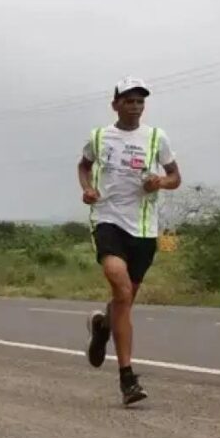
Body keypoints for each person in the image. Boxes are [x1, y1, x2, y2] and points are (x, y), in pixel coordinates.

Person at [77, 76, 181, 405]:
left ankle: (102, 327)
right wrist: (88, 189)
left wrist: (160, 182)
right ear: (116, 104)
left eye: (140, 101)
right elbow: (84, 165)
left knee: (124, 302)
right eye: (129, 100)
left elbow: (176, 176)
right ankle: (127, 380)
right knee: (120, 289)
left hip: (145, 229)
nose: (135, 106)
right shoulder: (99, 136)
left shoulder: (156, 137)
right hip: (108, 221)